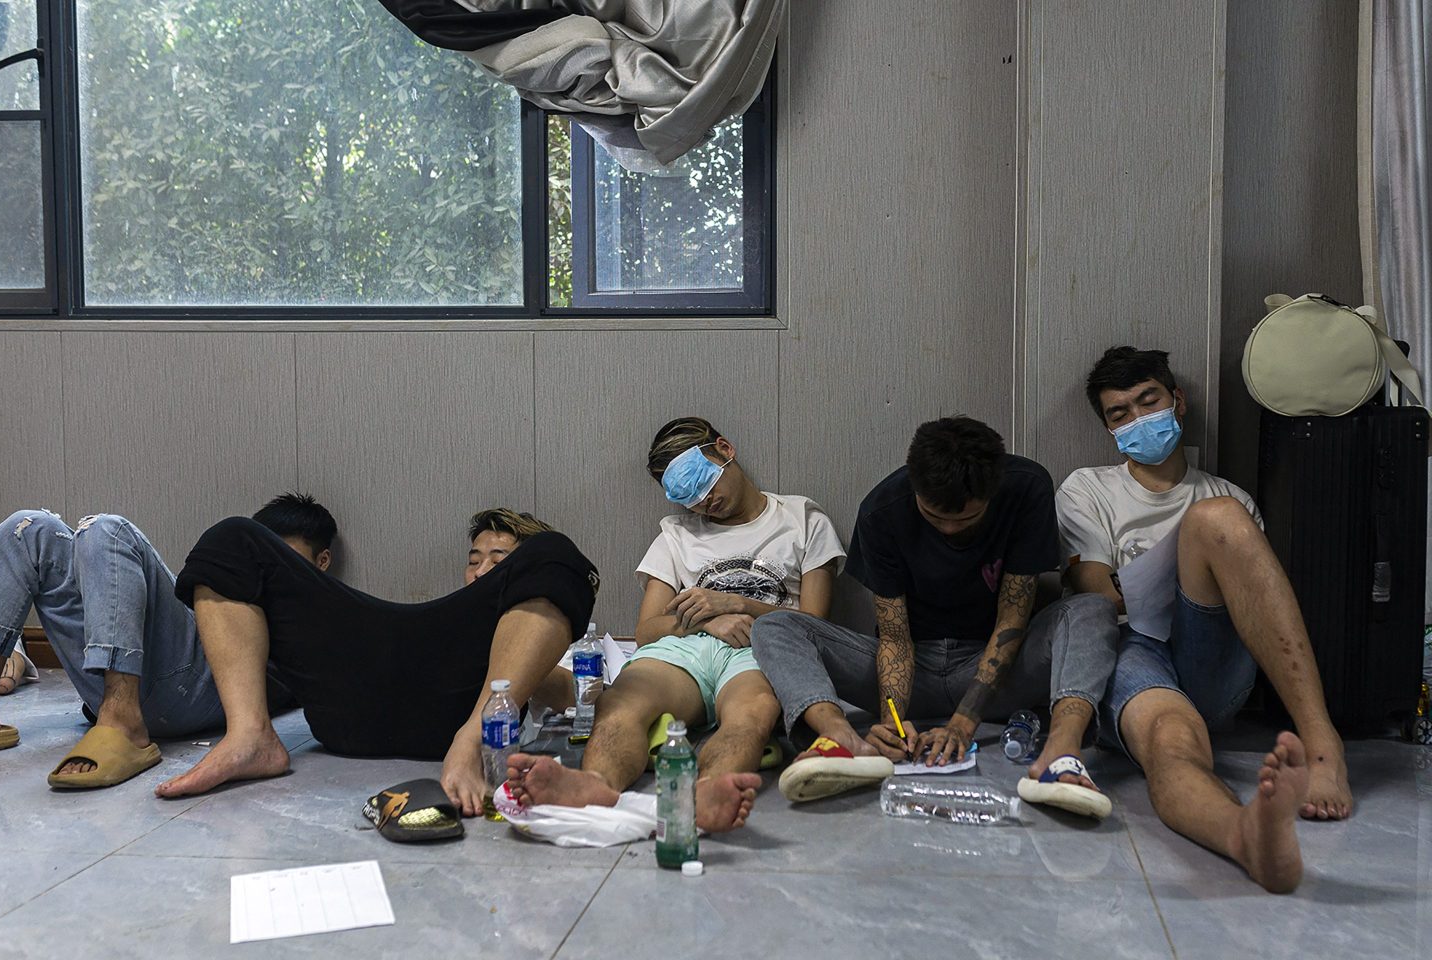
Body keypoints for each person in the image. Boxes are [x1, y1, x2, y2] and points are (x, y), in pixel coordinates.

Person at [1059, 346, 1353, 893]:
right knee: (1172, 740)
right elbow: (1098, 594)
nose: (1137, 419)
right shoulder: (1088, 489)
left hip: (1211, 657)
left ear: (1177, 401)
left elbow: (1255, 610)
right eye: (1120, 414)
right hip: (1132, 649)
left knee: (1215, 520)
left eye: (1148, 402)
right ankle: (1242, 833)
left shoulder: (1227, 498)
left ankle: (1321, 742)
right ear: (1108, 428)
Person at [751, 416, 1118, 814]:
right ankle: (842, 739)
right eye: (933, 515)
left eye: (964, 520)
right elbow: (894, 639)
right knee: (775, 624)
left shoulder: (1027, 487)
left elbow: (1012, 619)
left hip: (995, 671)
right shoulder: (881, 511)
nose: (947, 528)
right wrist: (893, 720)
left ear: (991, 495)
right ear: (915, 487)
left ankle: (1060, 755)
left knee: (1091, 608)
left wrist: (963, 722)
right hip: (914, 668)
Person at [506, 417, 847, 832]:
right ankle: (595, 785)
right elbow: (648, 629)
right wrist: (706, 625)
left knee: (751, 713)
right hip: (683, 647)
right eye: (689, 496)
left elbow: (817, 624)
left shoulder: (802, 519)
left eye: (706, 484)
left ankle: (708, 791)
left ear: (725, 449)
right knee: (621, 705)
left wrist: (737, 604)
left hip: (762, 646)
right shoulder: (675, 534)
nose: (704, 502)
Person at [155, 507, 599, 817]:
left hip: (460, 721)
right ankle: (250, 735)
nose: (482, 570)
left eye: (499, 562)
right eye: (474, 559)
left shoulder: (528, 632)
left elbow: (576, 694)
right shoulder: (449, 618)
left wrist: (533, 676)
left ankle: (472, 740)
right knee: (231, 538)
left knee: (556, 551)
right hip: (349, 709)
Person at [0, 493, 338, 788]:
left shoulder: (320, 611)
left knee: (108, 529)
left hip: (201, 690)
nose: (272, 569)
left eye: (286, 557)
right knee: (25, 529)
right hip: (124, 683)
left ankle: (123, 723)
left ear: (322, 560)